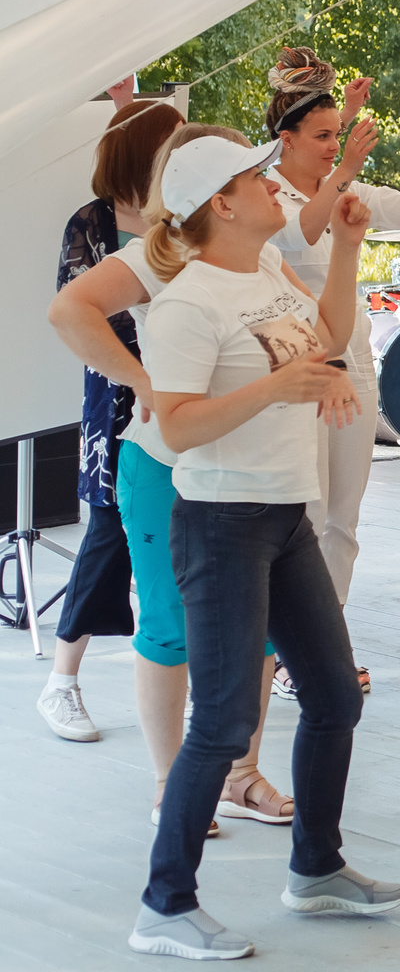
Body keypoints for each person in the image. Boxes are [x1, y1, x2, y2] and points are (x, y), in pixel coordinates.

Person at [132, 131, 400, 961]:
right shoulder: (188, 302)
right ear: (221, 202)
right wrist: (278, 387)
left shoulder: (267, 272)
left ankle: (315, 868)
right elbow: (175, 425)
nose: (272, 187)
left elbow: (324, 337)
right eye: (255, 177)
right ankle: (164, 905)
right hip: (221, 521)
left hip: (285, 514)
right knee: (220, 723)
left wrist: (350, 247)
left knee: (333, 697)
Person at [48, 123, 299, 832]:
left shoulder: (264, 254)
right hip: (166, 467)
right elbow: (70, 308)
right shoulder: (162, 254)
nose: (264, 180)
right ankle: (171, 783)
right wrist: (139, 379)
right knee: (168, 627)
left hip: (250, 472)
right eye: (248, 171)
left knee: (261, 630)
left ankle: (240, 774)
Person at [260, 50, 400, 673]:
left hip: (353, 365)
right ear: (287, 138)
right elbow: (298, 234)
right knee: (300, 517)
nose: (336, 146)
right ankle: (284, 655)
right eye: (325, 136)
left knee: (343, 523)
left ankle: (321, 653)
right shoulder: (262, 190)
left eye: (340, 135)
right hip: (294, 372)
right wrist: (345, 170)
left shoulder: (348, 187)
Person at [38, 95, 181, 743]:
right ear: (143, 148)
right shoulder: (90, 222)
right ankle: (61, 680)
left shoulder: (180, 218)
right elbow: (80, 308)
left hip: (181, 388)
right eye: (174, 139)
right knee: (107, 533)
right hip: (117, 392)